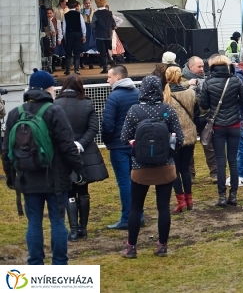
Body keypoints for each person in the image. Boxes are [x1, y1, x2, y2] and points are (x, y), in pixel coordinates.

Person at [2, 69, 86, 265]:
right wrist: (80, 170)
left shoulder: (15, 113)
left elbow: (6, 150)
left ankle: (35, 264)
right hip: (56, 178)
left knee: (34, 223)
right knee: (58, 222)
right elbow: (67, 146)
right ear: (47, 89)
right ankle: (59, 264)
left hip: (27, 177)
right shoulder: (54, 111)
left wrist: (11, 177)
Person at [119, 76, 184, 258]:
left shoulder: (134, 111)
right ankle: (162, 246)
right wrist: (169, 151)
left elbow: (124, 137)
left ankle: (131, 247)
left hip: (140, 167)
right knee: (163, 207)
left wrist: (135, 145)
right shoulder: (168, 110)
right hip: (165, 166)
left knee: (136, 207)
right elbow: (179, 138)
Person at [54, 74, 108, 241]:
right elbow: (93, 128)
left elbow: (53, 129)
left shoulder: (56, 105)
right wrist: (80, 144)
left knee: (69, 191)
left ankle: (74, 230)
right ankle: (83, 228)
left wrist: (67, 144)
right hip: (84, 151)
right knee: (83, 190)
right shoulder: (87, 103)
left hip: (63, 152)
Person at [198, 54, 243, 207]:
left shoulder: (208, 82)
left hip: (217, 126)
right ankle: (233, 195)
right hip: (234, 124)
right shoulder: (235, 80)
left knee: (220, 160)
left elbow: (204, 104)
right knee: (233, 160)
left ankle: (222, 196)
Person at [101, 65, 141, 230]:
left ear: (118, 78)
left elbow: (107, 124)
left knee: (124, 182)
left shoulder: (114, 97)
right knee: (136, 181)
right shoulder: (138, 93)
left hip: (119, 145)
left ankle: (127, 218)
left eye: (109, 77)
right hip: (136, 144)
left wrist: (108, 141)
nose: (107, 80)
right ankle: (138, 215)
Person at [163, 66, 198, 214]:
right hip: (189, 133)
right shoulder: (190, 93)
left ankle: (181, 201)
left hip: (172, 137)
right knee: (185, 168)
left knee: (174, 169)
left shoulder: (165, 96)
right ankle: (189, 200)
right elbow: (196, 112)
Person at [62, 0, 86, 76]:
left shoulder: (65, 15)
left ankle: (67, 70)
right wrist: (84, 35)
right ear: (76, 6)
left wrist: (65, 37)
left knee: (68, 52)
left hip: (69, 34)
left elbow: (64, 28)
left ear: (68, 6)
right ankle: (76, 70)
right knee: (77, 52)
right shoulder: (79, 15)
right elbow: (83, 26)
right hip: (78, 34)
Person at [92, 0, 115, 73]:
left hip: (100, 35)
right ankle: (111, 61)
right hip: (108, 34)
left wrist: (97, 28)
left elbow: (93, 24)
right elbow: (113, 23)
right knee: (108, 49)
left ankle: (105, 67)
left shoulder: (96, 14)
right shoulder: (109, 13)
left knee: (102, 52)